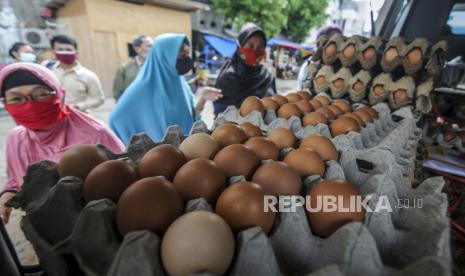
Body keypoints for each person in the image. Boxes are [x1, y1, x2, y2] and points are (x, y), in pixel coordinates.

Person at [0, 63, 125, 224]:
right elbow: (15, 179)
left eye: (40, 95)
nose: (30, 104)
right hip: (47, 223)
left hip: (98, 221)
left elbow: (124, 173)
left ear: (59, 95)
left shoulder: (94, 133)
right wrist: (8, 193)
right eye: (16, 98)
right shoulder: (16, 139)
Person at [109, 33, 222, 145]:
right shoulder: (143, 88)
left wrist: (202, 99)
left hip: (186, 150)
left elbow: (191, 116)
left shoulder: (180, 83)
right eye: (181, 55)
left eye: (187, 54)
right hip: (160, 157)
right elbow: (116, 119)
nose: (186, 59)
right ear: (165, 57)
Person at [214, 23, 276, 115]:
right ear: (239, 47)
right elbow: (222, 117)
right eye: (250, 46)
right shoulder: (229, 77)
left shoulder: (267, 77)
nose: (255, 51)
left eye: (260, 47)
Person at [47, 35, 105, 112]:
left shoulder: (89, 75)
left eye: (68, 50)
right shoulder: (48, 72)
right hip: (51, 116)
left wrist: (79, 106)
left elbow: (99, 99)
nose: (64, 52)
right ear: (54, 52)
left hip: (78, 116)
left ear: (76, 52)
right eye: (60, 49)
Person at [296, 24, 343, 91]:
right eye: (331, 41)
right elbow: (302, 88)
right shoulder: (311, 63)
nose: (334, 45)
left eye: (338, 39)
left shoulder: (343, 66)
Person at [113, 35, 153, 101]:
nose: (153, 49)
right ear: (137, 49)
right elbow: (118, 94)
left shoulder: (158, 67)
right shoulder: (124, 69)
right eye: (149, 46)